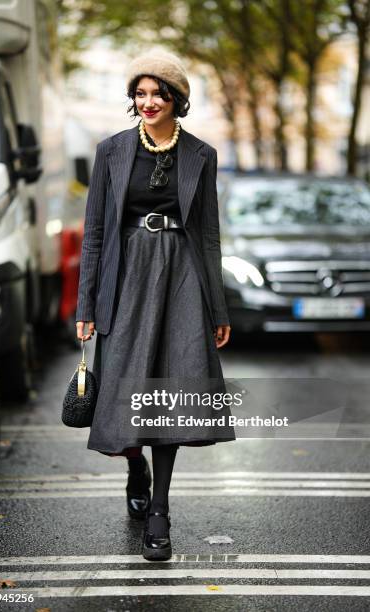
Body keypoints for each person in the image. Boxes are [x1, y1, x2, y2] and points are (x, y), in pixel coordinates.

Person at [75, 49, 236, 561]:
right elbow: (96, 233)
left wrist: (218, 308)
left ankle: (160, 512)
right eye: (140, 94)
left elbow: (209, 235)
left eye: (158, 94)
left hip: (183, 278)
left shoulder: (201, 155)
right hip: (126, 280)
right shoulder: (112, 151)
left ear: (176, 99)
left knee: (172, 391)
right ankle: (134, 466)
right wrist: (87, 304)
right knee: (125, 390)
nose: (148, 102)